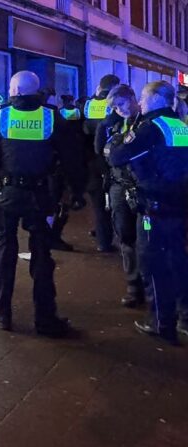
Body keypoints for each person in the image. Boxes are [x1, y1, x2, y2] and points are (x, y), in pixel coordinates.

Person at [0, 71, 72, 337]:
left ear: (13, 90)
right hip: (40, 196)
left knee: (4, 251)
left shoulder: (0, 117)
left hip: (6, 195)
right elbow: (72, 157)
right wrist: (75, 192)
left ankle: (1, 312)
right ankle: (45, 318)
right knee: (42, 255)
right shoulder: (51, 117)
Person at [106, 81, 188, 346]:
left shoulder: (150, 127)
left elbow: (117, 155)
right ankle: (185, 317)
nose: (140, 101)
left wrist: (116, 140)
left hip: (154, 205)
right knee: (179, 260)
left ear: (156, 98)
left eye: (143, 96)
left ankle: (160, 322)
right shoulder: (181, 125)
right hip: (179, 203)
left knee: (152, 263)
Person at [100, 85, 145, 308]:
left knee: (145, 238)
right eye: (115, 108)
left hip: (141, 188)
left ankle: (148, 283)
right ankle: (133, 285)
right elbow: (103, 152)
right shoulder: (116, 124)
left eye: (122, 104)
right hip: (119, 186)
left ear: (133, 99)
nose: (119, 110)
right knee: (125, 236)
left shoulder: (146, 123)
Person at [83, 74, 122, 253]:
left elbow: (83, 130)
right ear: (114, 87)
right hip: (109, 159)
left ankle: (101, 233)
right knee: (113, 200)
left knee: (98, 201)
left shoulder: (89, 104)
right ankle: (107, 239)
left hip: (90, 159)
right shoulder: (114, 106)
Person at [47, 94, 87, 252]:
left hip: (52, 167)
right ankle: (53, 236)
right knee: (61, 204)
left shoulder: (56, 115)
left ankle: (48, 236)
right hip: (64, 165)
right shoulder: (76, 113)